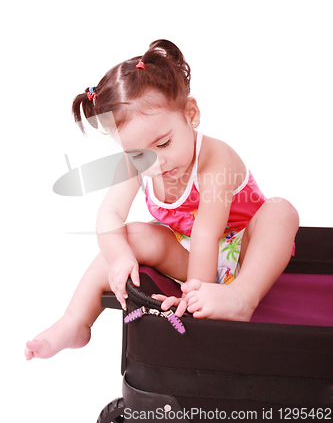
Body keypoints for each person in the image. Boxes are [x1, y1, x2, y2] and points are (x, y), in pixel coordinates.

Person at [24, 39, 299, 360]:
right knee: (130, 235)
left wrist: (193, 293)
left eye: (165, 143)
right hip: (185, 253)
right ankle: (76, 320)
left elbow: (207, 233)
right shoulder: (135, 162)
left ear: (191, 114)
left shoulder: (214, 159)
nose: (156, 163)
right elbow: (109, 214)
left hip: (243, 251)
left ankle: (242, 297)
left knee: (280, 212)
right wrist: (121, 256)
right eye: (139, 154)